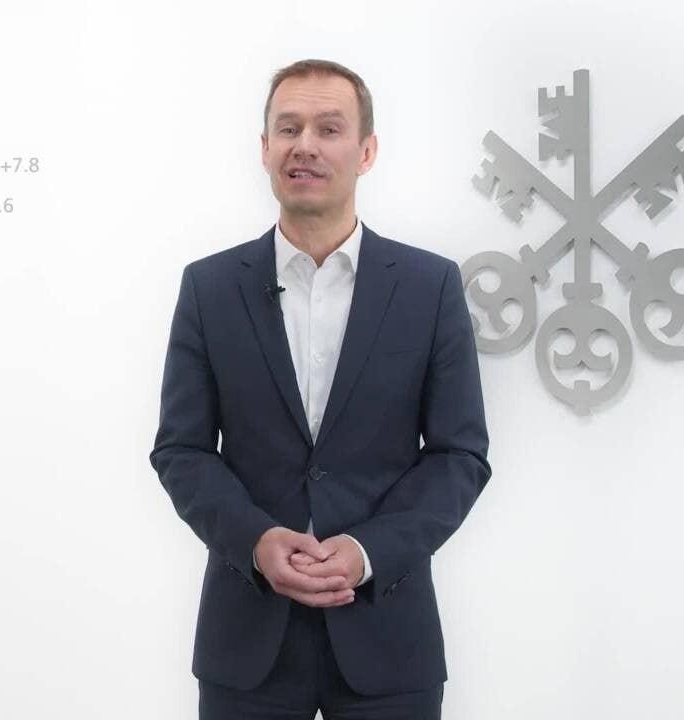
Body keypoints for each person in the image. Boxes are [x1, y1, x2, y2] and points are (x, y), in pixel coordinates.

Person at [150, 59, 492, 719]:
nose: (304, 144)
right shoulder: (209, 288)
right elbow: (181, 450)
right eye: (289, 128)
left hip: (389, 638)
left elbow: (460, 454)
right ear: (265, 149)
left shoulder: (429, 287)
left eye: (329, 129)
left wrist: (369, 551)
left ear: (366, 152)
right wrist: (255, 540)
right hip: (246, 640)